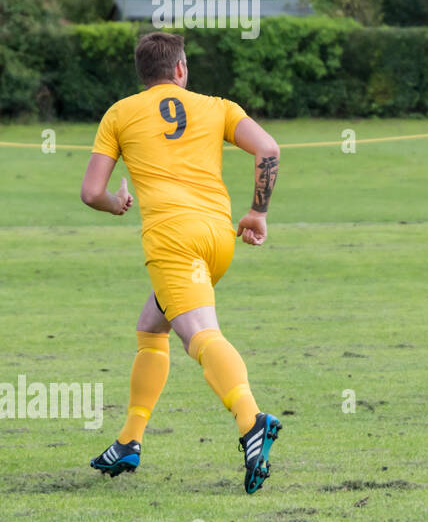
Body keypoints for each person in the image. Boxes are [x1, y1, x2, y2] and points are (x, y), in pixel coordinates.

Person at [81, 32, 283, 494]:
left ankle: (252, 421)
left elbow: (92, 191)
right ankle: (128, 441)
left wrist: (117, 203)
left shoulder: (120, 113)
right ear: (179, 70)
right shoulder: (218, 106)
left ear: (143, 74)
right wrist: (257, 213)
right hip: (219, 239)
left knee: (200, 335)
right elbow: (268, 149)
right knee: (152, 325)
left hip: (174, 242)